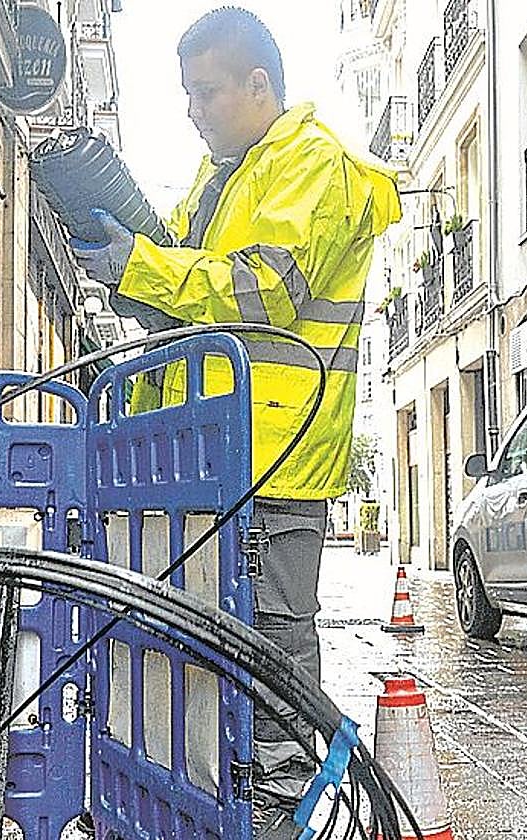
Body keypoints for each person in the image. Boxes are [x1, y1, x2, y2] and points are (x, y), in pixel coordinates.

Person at [70, 8, 401, 838]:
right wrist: (126, 260)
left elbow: (263, 289)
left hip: (273, 457)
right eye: (185, 94)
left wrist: (145, 264)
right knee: (212, 655)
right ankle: (230, 807)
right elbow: (183, 289)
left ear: (260, 85)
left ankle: (285, 812)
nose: (193, 110)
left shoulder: (311, 163)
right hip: (208, 453)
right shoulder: (226, 177)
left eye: (207, 92)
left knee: (274, 654)